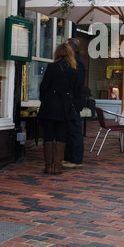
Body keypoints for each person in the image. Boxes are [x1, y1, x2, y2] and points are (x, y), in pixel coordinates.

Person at [38, 43, 78, 174]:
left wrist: (45, 100)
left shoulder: (52, 67)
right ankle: (58, 167)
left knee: (48, 136)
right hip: (65, 108)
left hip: (49, 106)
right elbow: (76, 90)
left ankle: (48, 166)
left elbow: (43, 87)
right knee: (61, 137)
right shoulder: (73, 70)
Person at [62, 38, 86, 169]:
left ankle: (76, 159)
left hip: (73, 100)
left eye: (66, 45)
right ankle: (69, 157)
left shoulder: (77, 62)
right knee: (70, 130)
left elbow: (78, 83)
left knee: (74, 130)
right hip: (72, 99)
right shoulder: (75, 60)